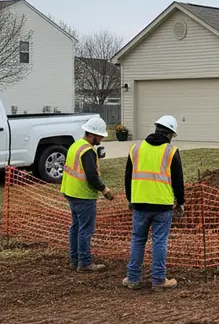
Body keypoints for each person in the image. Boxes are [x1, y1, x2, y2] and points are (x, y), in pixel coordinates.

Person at [123, 114, 185, 291]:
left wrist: (130, 199)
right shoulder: (171, 151)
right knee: (159, 241)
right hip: (162, 205)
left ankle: (133, 279)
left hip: (140, 203)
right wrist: (180, 202)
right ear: (170, 134)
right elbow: (178, 180)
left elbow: (128, 177)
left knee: (137, 240)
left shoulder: (136, 148)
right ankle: (158, 280)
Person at [61, 115, 114, 272]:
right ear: (91, 134)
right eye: (100, 136)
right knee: (85, 229)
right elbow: (92, 176)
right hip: (83, 195)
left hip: (70, 192)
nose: (101, 140)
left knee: (76, 227)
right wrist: (104, 190)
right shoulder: (88, 151)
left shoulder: (75, 145)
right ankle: (84, 263)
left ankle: (74, 259)